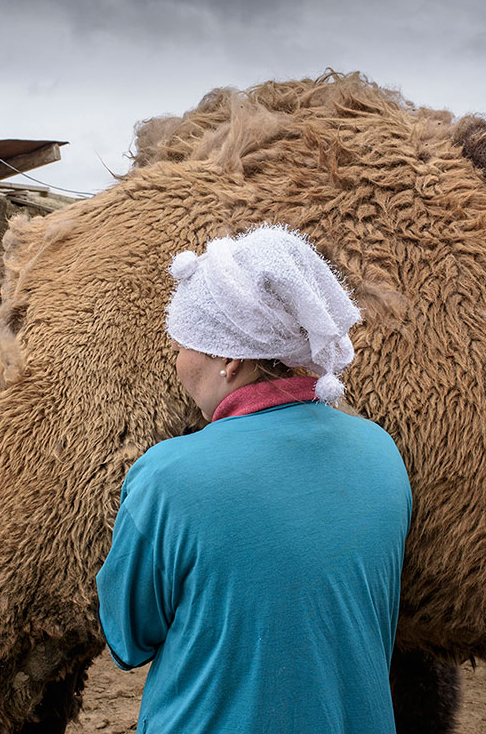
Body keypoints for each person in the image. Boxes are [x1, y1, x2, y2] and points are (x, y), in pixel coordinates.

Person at [96, 224, 412, 734]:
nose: (177, 362)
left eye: (185, 344)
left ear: (230, 357)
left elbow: (129, 637)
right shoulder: (381, 452)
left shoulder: (168, 476)